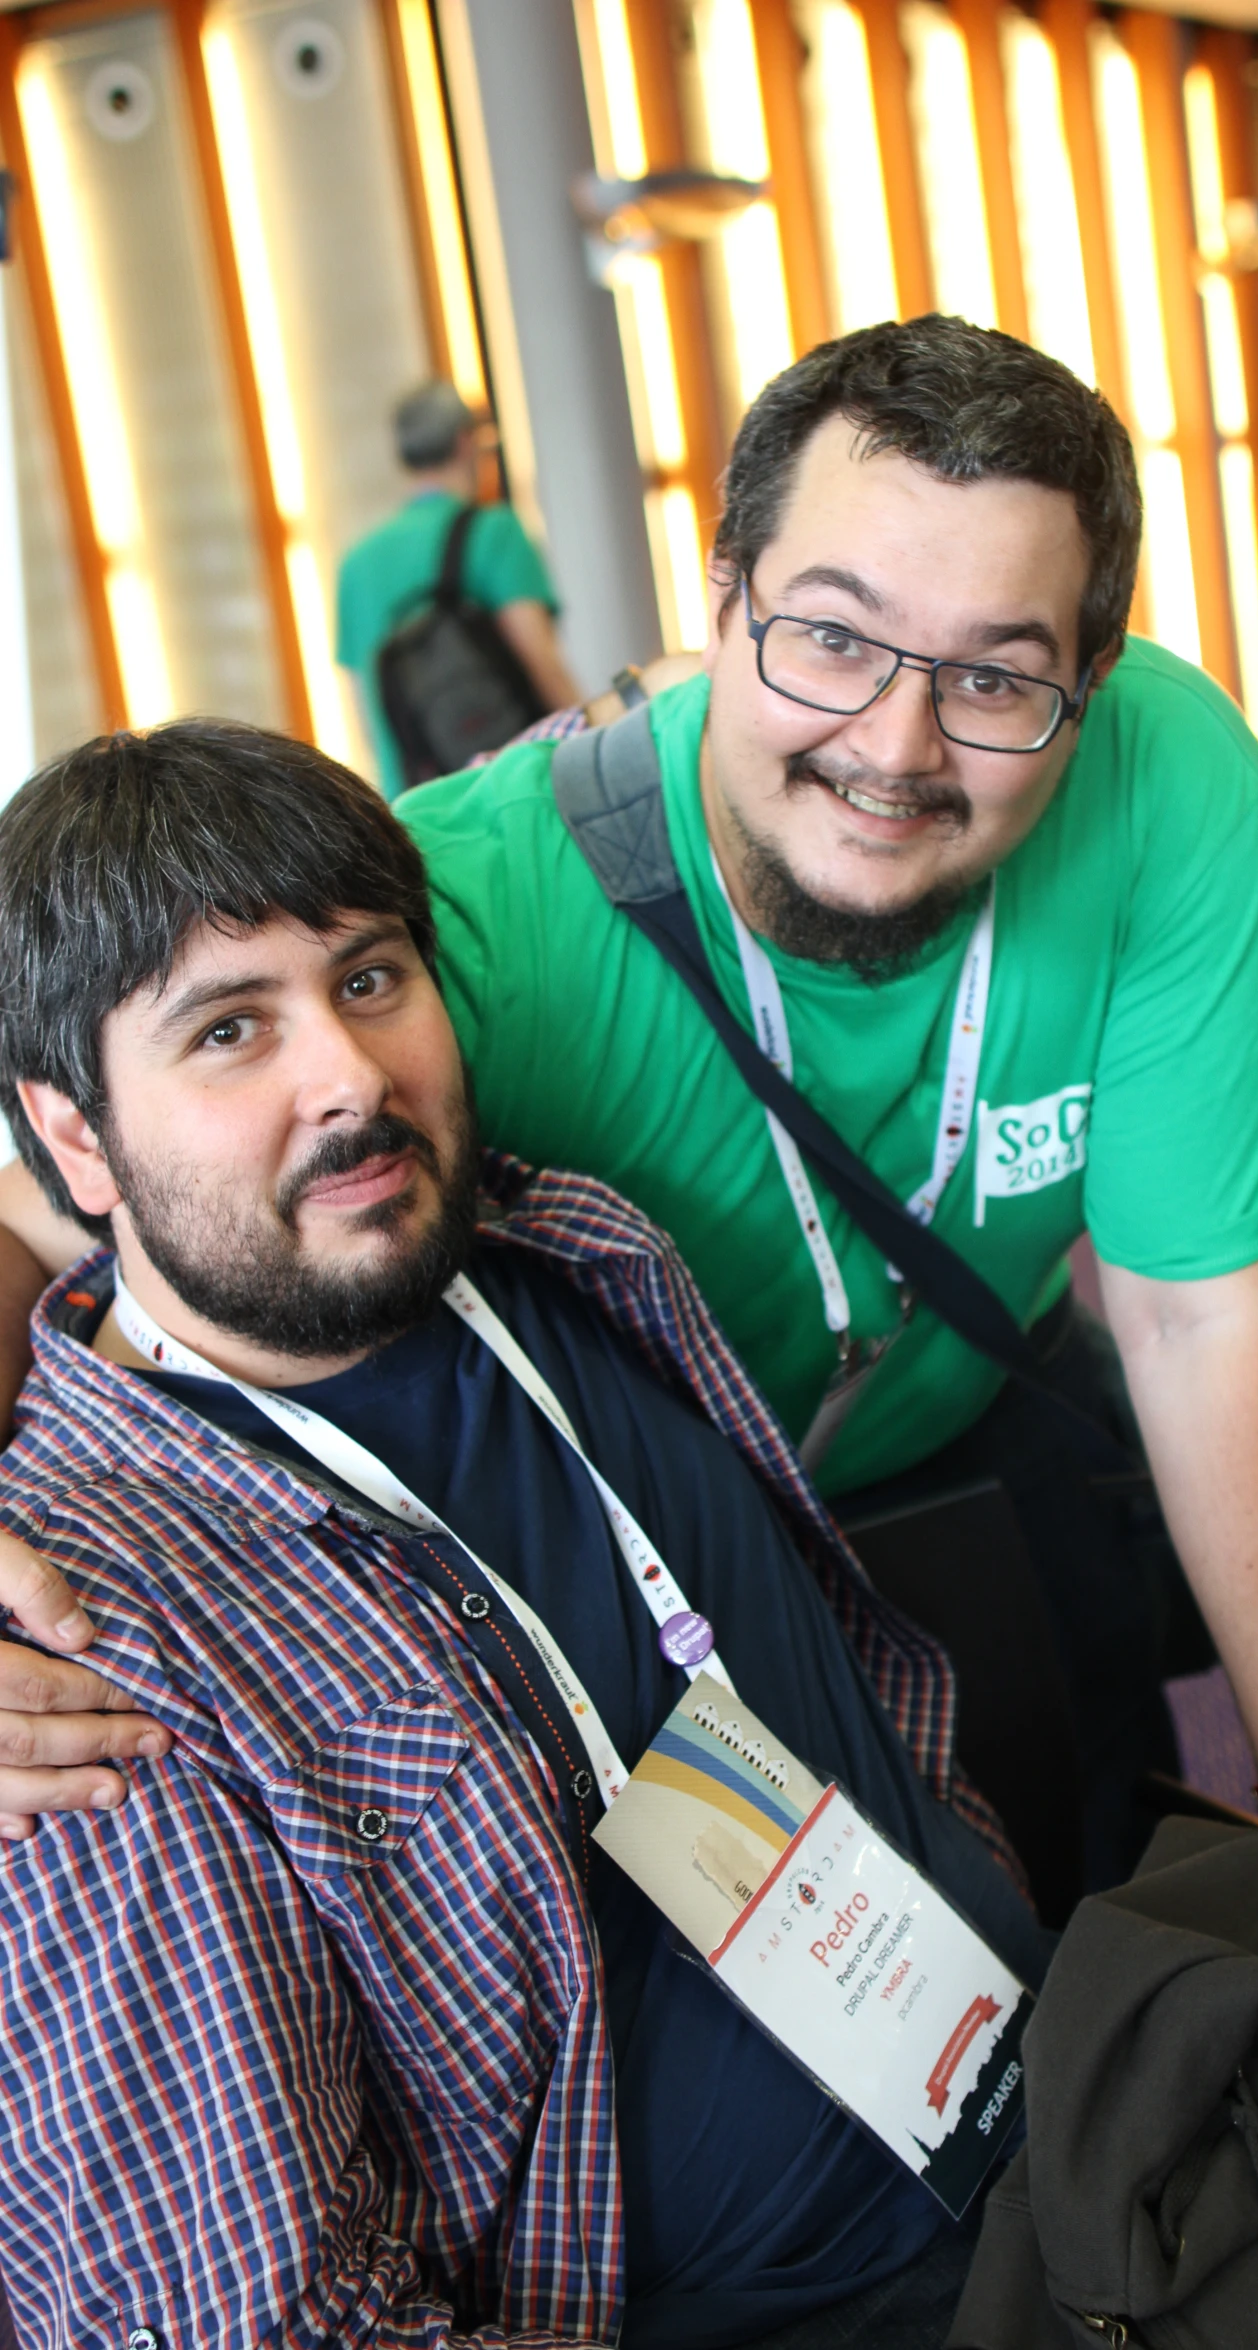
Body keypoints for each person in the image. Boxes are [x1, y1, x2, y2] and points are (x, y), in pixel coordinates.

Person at [0, 317, 1258, 1879]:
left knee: (1100, 1903)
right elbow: (57, 1177)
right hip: (654, 1544)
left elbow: (1193, 1313)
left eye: (996, 678)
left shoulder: (1161, 782)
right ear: (721, 599)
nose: (892, 745)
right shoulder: (465, 925)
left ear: (1089, 681)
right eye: (828, 636)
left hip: (974, 1429)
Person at [0, 723, 1051, 2349]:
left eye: (368, 979)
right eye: (228, 1031)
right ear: (74, 1136)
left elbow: (823, 1664)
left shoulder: (572, 1251)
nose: (349, 1076)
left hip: (1051, 2087)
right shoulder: (87, 1656)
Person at [336, 380, 580, 797]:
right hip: (514, 792)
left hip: (417, 805)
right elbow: (543, 665)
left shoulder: (355, 566)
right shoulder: (494, 532)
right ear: (466, 443)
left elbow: (369, 721)